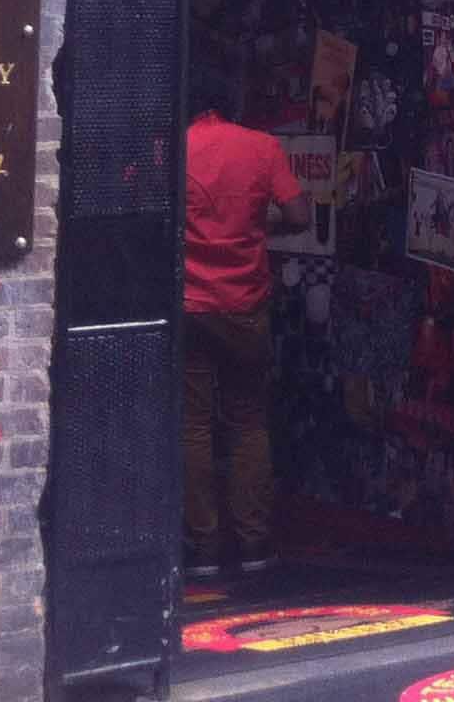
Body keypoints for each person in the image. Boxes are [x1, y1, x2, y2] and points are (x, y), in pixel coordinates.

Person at [181, 67, 310, 581]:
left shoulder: (174, 149)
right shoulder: (261, 148)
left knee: (192, 426)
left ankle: (204, 547)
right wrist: (258, 223)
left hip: (190, 304)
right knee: (248, 420)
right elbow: (299, 216)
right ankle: (254, 543)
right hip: (245, 305)